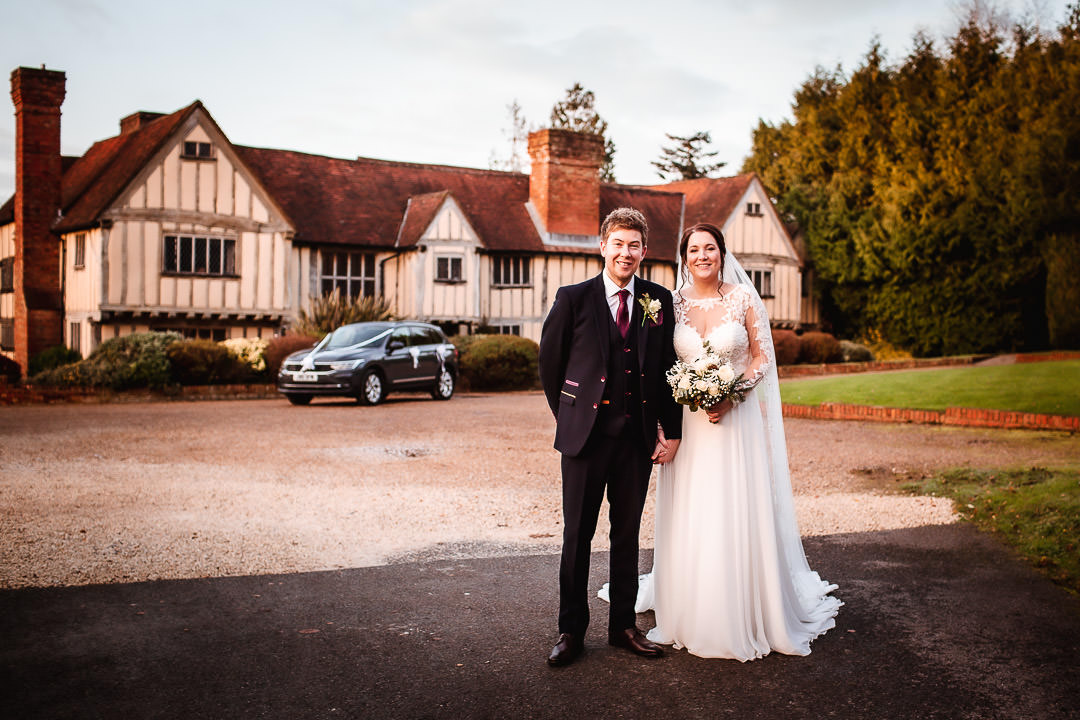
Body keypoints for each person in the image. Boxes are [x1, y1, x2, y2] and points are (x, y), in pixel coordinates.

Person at [624, 222, 841, 660]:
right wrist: (664, 425)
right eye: (694, 249)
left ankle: (740, 606)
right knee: (692, 509)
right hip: (690, 426)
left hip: (733, 423)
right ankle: (690, 604)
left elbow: (763, 357)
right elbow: (658, 362)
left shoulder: (744, 298)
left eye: (710, 248)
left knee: (732, 506)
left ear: (722, 253)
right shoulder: (670, 302)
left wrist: (732, 394)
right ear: (683, 257)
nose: (703, 256)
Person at [538, 207, 683, 667]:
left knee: (627, 536)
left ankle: (623, 626)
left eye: (634, 245)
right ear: (602, 246)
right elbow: (550, 366)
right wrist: (571, 417)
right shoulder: (572, 298)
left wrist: (671, 430)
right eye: (617, 243)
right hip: (584, 441)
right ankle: (570, 630)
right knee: (577, 535)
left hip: (636, 441)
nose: (626, 252)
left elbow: (668, 374)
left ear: (644, 251)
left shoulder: (658, 300)